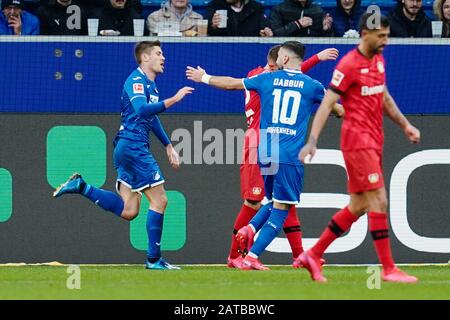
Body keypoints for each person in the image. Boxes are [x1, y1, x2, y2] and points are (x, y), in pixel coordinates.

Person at [187, 41, 342, 270]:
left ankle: (299, 255)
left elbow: (292, 77)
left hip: (264, 147)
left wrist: (205, 77)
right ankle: (238, 255)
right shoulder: (269, 77)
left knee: (280, 203)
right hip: (263, 143)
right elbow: (300, 81)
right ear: (272, 64)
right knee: (257, 202)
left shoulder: (266, 78)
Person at [298, 13, 420, 283]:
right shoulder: (349, 65)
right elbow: (328, 103)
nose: (386, 41)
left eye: (388, 36)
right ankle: (388, 269)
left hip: (375, 140)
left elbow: (384, 97)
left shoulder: (379, 59)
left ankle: (313, 254)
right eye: (382, 36)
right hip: (357, 141)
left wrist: (406, 125)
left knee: (359, 205)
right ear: (366, 34)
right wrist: (313, 140)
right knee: (379, 199)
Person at [53, 41, 194, 270]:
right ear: (145, 58)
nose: (163, 57)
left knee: (129, 211)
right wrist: (174, 99)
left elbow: (151, 118)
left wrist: (168, 145)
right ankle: (154, 259)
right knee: (160, 200)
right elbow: (141, 110)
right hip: (133, 146)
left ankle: (81, 187)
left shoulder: (151, 85)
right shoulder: (136, 80)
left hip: (126, 147)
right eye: (159, 53)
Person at [205, 0, 272, 36]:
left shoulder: (256, 7)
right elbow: (206, 29)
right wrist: (212, 26)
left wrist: (266, 33)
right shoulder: (214, 6)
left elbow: (265, 27)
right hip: (223, 50)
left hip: (249, 49)